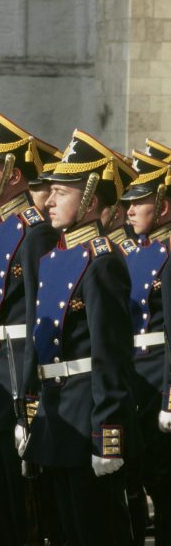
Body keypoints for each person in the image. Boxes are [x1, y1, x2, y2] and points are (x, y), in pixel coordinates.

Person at [21, 129, 139, 545]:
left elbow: (111, 357)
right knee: (64, 530)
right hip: (57, 417)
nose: (49, 201)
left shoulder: (101, 263)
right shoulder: (53, 259)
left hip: (88, 414)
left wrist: (108, 436)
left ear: (89, 199)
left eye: (60, 192)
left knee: (97, 530)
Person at [0, 111, 61, 545]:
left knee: (28, 510)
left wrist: (28, 402)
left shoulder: (34, 233)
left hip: (20, 380)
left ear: (14, 174)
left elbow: (40, 323)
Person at [121, 151, 171, 545]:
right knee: (136, 479)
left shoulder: (167, 256)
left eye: (140, 203)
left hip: (157, 381)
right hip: (135, 380)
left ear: (164, 207)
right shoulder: (133, 253)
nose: (130, 209)